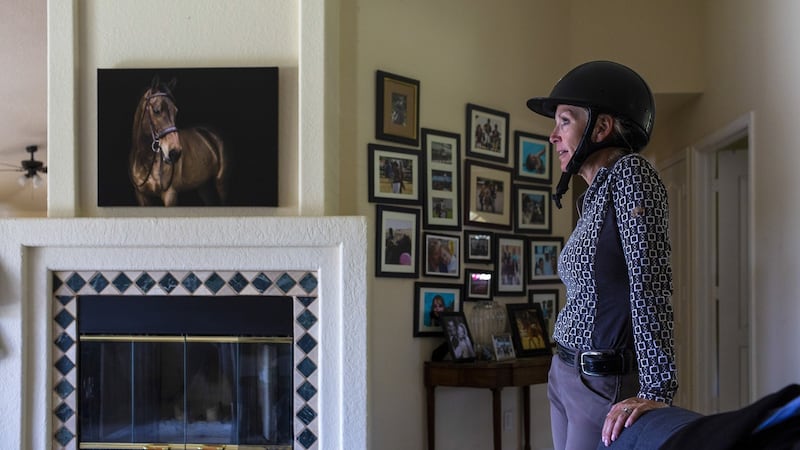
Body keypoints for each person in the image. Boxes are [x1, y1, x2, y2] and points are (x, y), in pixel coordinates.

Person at [526, 60, 677, 450]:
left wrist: (658, 387)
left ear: (601, 127)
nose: (552, 136)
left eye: (564, 121)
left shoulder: (631, 176)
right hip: (564, 374)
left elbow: (651, 282)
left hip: (600, 382)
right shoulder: (594, 196)